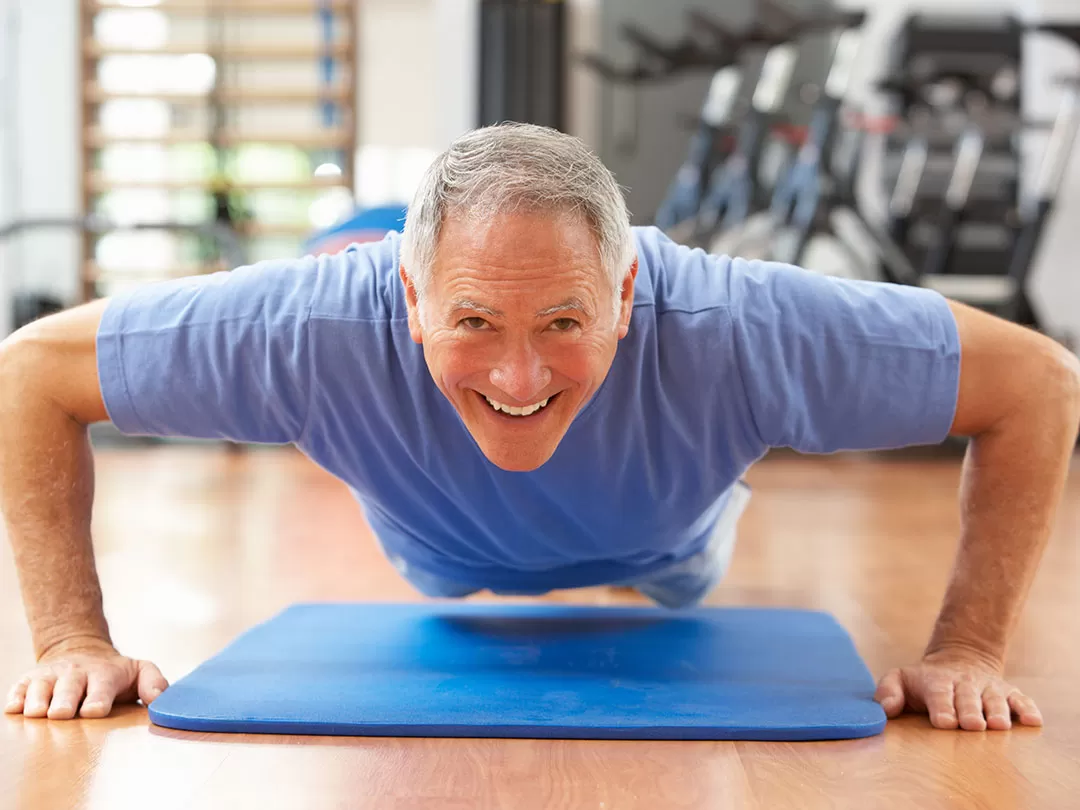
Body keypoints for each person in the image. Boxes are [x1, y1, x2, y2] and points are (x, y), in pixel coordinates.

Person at [1, 124, 1076, 732]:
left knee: (680, 568)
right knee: (449, 571)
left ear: (627, 288)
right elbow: (32, 372)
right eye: (473, 320)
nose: (520, 372)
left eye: (565, 319)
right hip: (440, 552)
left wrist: (968, 650)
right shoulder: (309, 328)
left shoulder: (741, 326)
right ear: (410, 300)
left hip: (667, 542)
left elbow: (1035, 384)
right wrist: (69, 641)